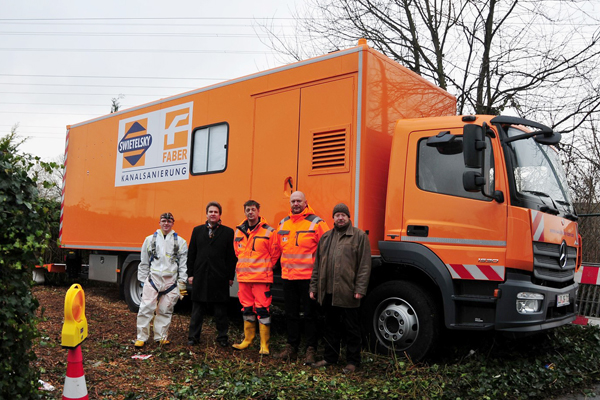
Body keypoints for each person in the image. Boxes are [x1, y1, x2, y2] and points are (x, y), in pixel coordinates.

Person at [309, 203, 371, 374]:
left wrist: (360, 288)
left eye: (343, 214)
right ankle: (330, 357)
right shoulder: (326, 237)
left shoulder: (359, 236)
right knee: (330, 327)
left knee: (352, 329)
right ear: (333, 218)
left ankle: (352, 361)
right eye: (337, 215)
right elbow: (317, 265)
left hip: (348, 292)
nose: (340, 217)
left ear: (348, 217)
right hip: (328, 292)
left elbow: (364, 266)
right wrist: (314, 287)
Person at [273, 191, 329, 364]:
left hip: (308, 278)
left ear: (306, 202)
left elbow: (326, 249)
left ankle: (311, 349)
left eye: (299, 201)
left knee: (310, 315)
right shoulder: (283, 223)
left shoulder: (317, 223)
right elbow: (277, 249)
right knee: (291, 314)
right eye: (293, 201)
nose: (296, 204)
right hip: (288, 277)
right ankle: (292, 347)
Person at [232, 200, 280, 355]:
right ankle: (247, 340)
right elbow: (237, 252)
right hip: (244, 278)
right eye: (247, 210)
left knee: (262, 309)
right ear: (244, 212)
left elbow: (275, 254)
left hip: (261, 278)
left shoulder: (269, 231)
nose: (250, 212)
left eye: (253, 209)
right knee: (246, 308)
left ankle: (264, 344)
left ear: (258, 211)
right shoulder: (239, 231)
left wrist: (265, 268)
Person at [187, 201, 238, 347]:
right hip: (200, 276)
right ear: (206, 214)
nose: (213, 214)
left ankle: (222, 338)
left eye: (216, 212)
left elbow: (231, 257)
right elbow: (192, 254)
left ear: (220, 215)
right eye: (211, 212)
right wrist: (190, 274)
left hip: (219, 277)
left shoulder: (228, 232)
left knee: (220, 311)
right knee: (197, 310)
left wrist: (229, 276)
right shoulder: (197, 231)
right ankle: (193, 337)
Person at [135, 212, 188, 347]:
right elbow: (144, 262)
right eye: (164, 221)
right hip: (153, 279)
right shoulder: (149, 240)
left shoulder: (180, 242)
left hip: (171, 282)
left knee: (165, 309)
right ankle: (141, 337)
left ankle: (161, 336)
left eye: (169, 221)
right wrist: (142, 280)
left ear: (172, 223)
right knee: (146, 308)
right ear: (159, 223)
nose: (166, 223)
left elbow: (183, 265)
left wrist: (182, 284)